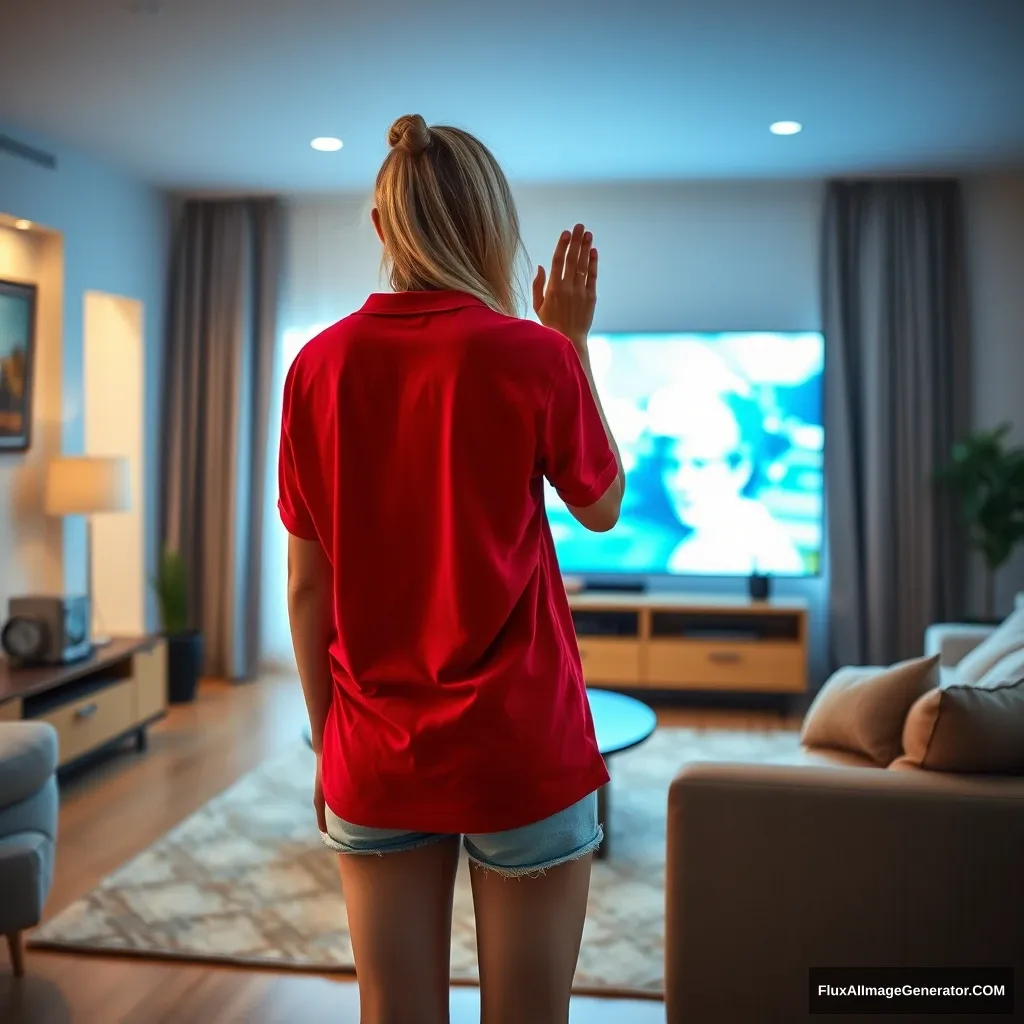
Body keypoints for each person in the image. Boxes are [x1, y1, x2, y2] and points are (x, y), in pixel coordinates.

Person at [278, 114, 624, 1024]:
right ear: (489, 229)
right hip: (522, 747)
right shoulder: (535, 354)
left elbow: (308, 588)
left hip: (375, 747)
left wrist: (329, 742)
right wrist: (574, 342)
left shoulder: (315, 367)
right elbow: (600, 506)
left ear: (385, 230)